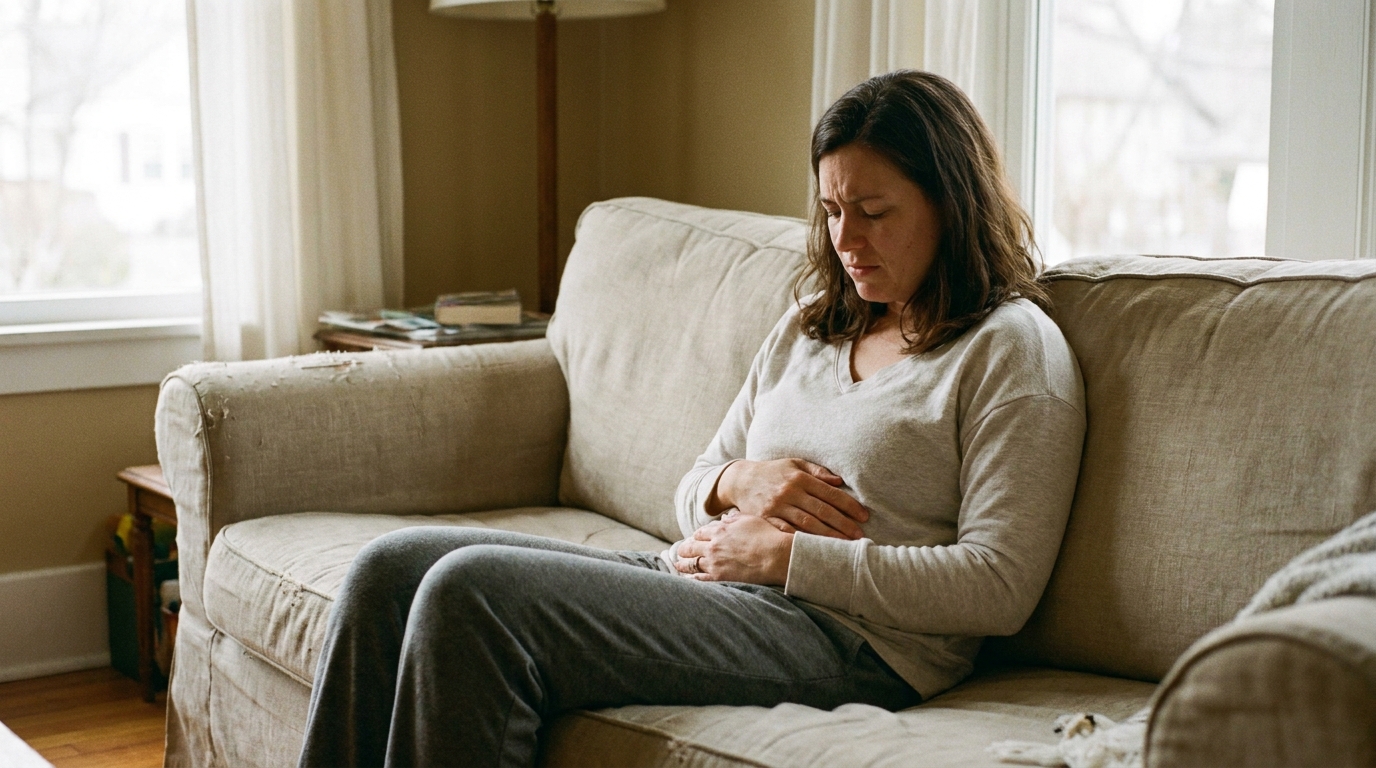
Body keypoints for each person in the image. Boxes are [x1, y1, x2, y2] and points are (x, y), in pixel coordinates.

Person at [298, 70, 1085, 768]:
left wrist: (785, 558)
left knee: (471, 594)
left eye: (874, 212)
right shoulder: (814, 325)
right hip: (702, 580)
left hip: (854, 641)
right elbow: (692, 489)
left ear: (951, 204)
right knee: (390, 568)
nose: (845, 240)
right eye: (831, 210)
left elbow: (999, 586)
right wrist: (740, 482)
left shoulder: (1009, 350)